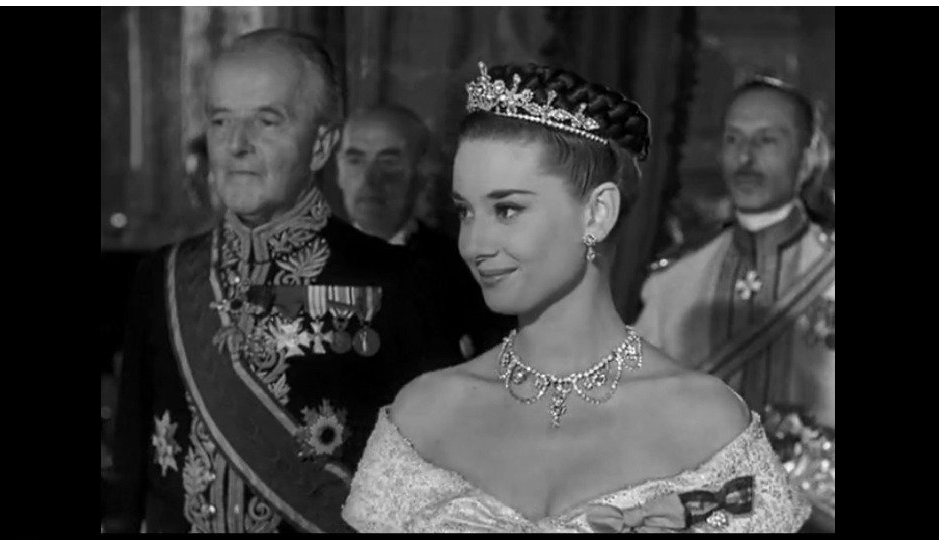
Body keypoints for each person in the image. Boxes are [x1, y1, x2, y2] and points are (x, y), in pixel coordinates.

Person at [341, 62, 810, 533]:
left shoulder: (708, 426)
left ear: (597, 214)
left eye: (507, 210)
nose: (474, 244)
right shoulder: (421, 416)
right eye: (465, 211)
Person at [103, 28, 457, 534]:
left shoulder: (398, 280)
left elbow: (435, 469)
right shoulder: (164, 273)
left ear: (321, 145)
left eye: (267, 121)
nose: (236, 145)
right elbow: (131, 462)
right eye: (220, 120)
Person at [635, 77, 835, 430]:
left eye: (766, 140)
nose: (745, 158)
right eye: (733, 139)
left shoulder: (827, 268)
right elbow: (640, 410)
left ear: (806, 160)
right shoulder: (673, 283)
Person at [336, 104, 515, 358]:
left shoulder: (466, 271)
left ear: (422, 173)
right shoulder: (303, 262)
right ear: (339, 171)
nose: (370, 179)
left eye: (389, 162)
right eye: (355, 160)